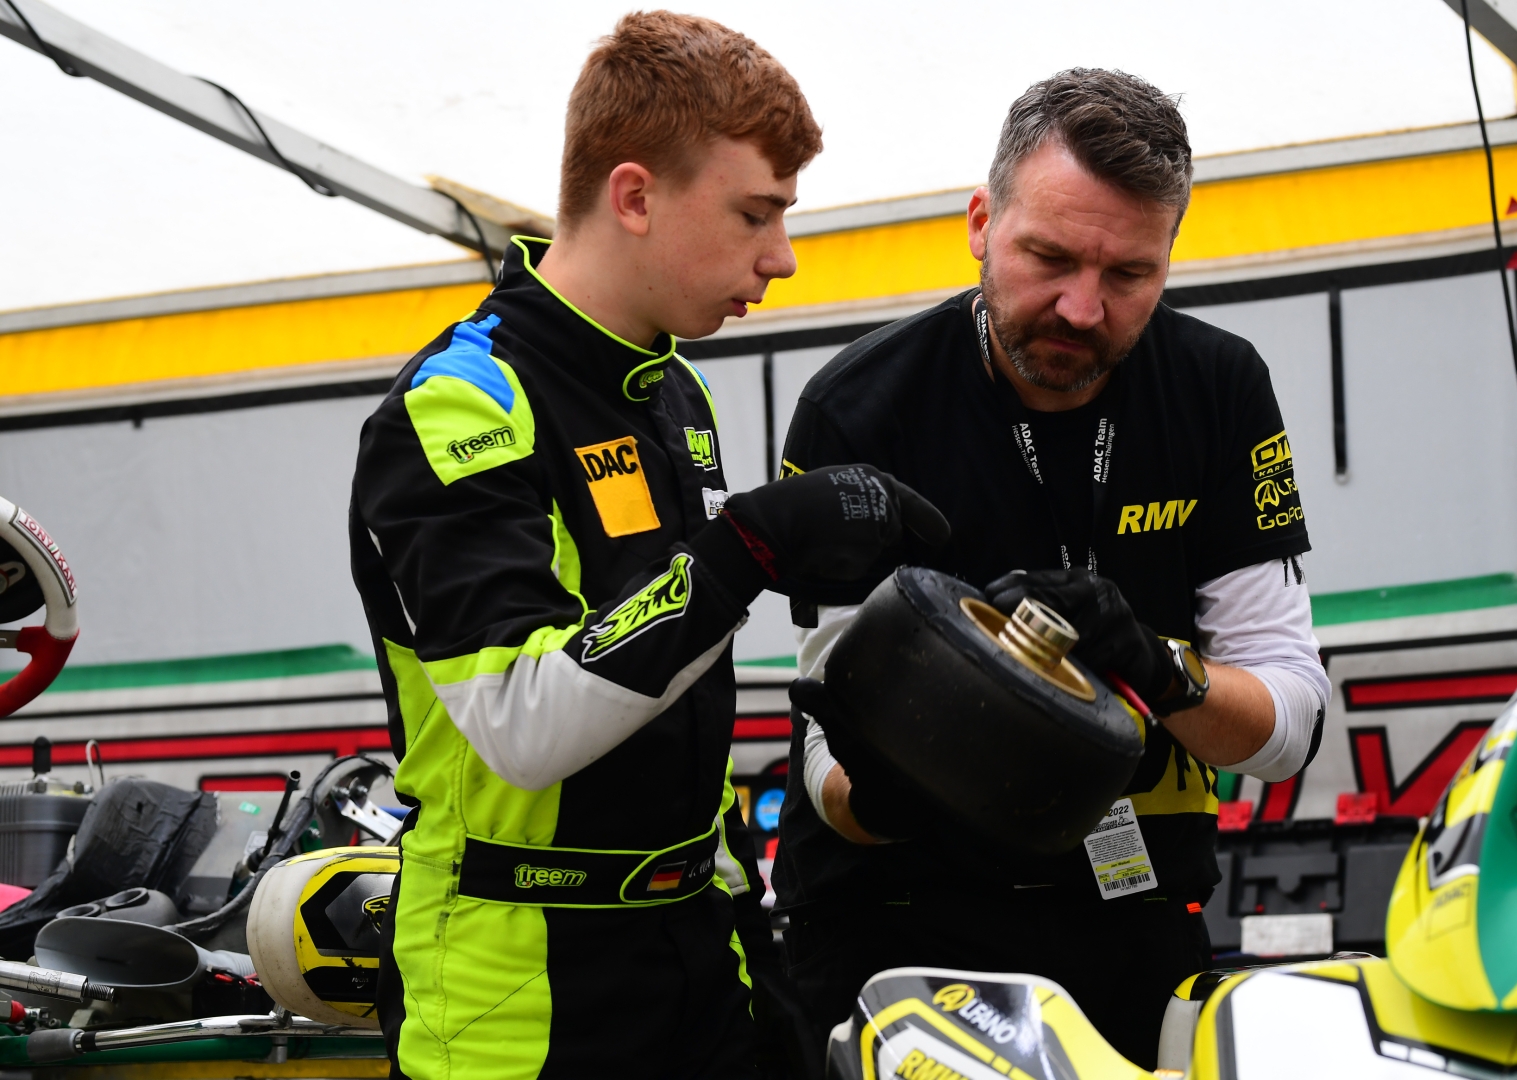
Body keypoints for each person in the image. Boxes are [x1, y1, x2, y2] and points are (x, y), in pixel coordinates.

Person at [348, 13, 947, 1079]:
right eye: (754, 213)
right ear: (633, 196)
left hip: (700, 943)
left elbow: (676, 678)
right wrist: (750, 547)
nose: (782, 257)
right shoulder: (461, 400)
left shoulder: (676, 390)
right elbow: (522, 721)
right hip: (512, 988)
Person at [772, 68, 1332, 1070]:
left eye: (1129, 275)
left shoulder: (1219, 386)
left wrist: (1158, 669)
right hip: (900, 926)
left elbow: (1289, 726)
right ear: (980, 223)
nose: (1081, 308)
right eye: (1050, 257)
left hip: (1131, 913)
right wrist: (899, 785)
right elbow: (823, 753)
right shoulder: (857, 407)